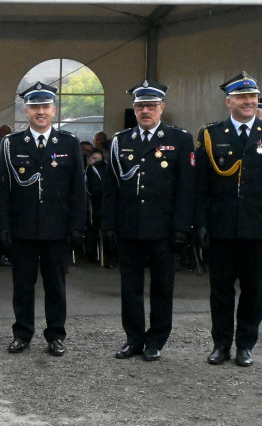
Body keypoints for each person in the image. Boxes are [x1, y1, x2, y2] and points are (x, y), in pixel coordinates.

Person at [195, 72, 262, 367]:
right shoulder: (211, 135)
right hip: (221, 228)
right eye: (242, 97)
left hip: (257, 229)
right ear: (229, 101)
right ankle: (221, 344)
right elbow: (201, 186)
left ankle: (245, 345)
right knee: (220, 291)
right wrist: (199, 224)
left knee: (253, 292)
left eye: (253, 97)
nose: (249, 102)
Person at [102, 80, 195, 362]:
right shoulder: (121, 141)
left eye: (151, 106)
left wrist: (182, 227)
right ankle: (133, 338)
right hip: (130, 225)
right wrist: (108, 224)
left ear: (162, 108)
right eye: (141, 106)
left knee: (161, 287)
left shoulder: (179, 139)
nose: (146, 111)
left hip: (162, 228)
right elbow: (111, 187)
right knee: (130, 287)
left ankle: (156, 340)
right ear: (134, 109)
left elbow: (186, 188)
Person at [0, 82, 86, 357]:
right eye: (35, 107)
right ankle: (22, 334)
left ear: (54, 110)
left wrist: (77, 227)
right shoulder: (11, 143)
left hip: (56, 230)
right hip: (22, 229)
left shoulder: (69, 143)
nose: (41, 112)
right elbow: (3, 189)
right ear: (26, 111)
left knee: (56, 286)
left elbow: (78, 192)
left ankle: (56, 335)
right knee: (22, 286)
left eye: (45, 107)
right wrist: (3, 226)